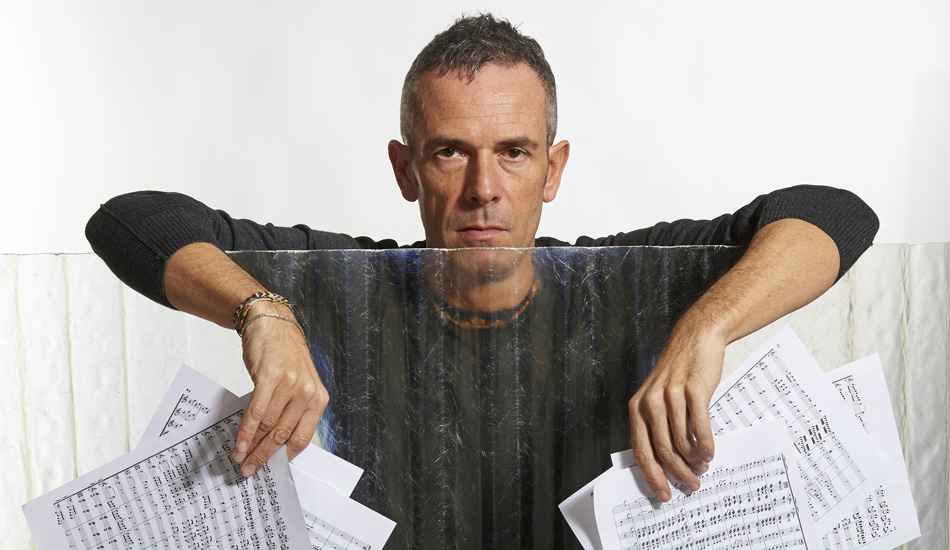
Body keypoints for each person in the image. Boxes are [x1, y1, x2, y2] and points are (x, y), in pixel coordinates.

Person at [86, 12, 878, 543]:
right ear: (406, 169)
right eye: (450, 152)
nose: (483, 189)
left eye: (514, 152)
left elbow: (832, 214)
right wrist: (262, 311)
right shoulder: (343, 280)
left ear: (553, 169)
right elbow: (130, 221)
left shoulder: (623, 281)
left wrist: (708, 325)